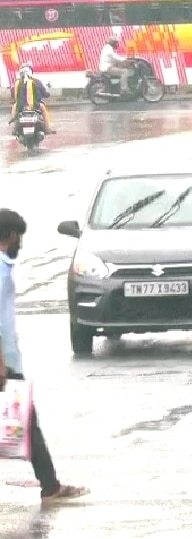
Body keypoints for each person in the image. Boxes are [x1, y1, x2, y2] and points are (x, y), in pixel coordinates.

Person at [0, 209, 89, 505]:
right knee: (26, 422)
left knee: (26, 422)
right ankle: (50, 486)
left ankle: (50, 485)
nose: (20, 244)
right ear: (11, 236)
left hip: (8, 361)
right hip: (4, 364)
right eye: (19, 237)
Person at [9, 63, 54, 135]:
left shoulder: (17, 82)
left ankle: (15, 128)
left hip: (20, 106)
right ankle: (47, 128)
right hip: (35, 105)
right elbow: (44, 93)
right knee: (44, 110)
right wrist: (47, 94)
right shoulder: (36, 81)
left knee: (14, 109)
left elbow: (13, 94)